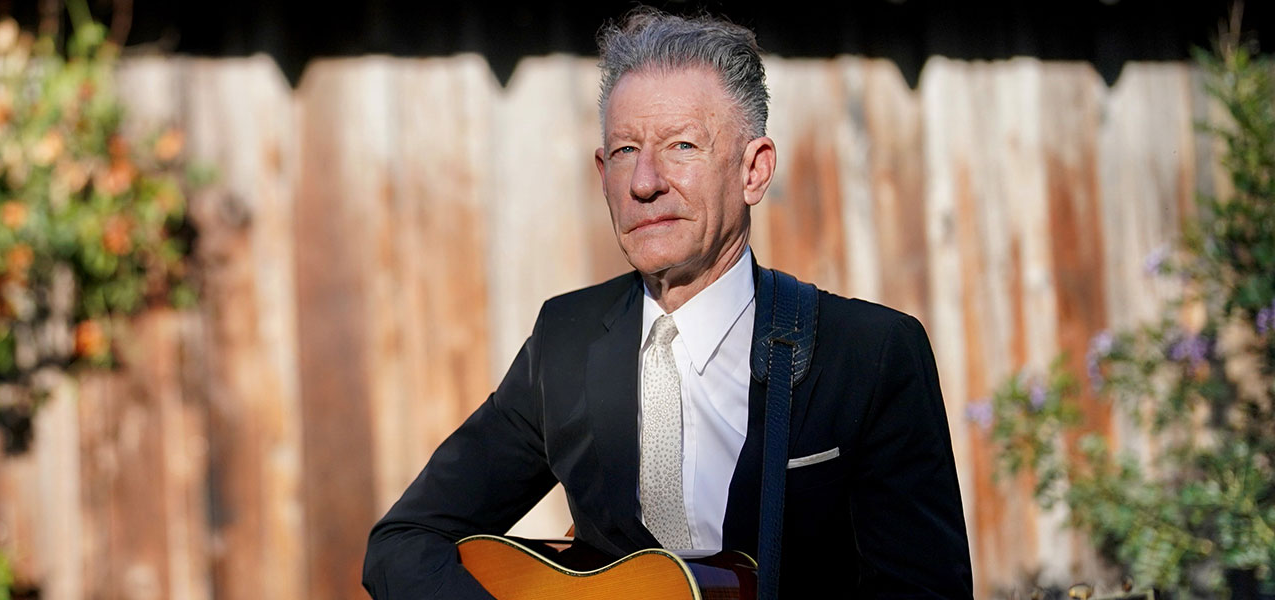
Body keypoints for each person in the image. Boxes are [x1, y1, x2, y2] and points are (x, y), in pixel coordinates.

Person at [360, 8, 972, 599]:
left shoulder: (870, 353)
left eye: (681, 145)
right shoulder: (565, 342)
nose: (645, 182)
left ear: (753, 171)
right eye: (625, 151)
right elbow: (405, 542)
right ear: (602, 172)